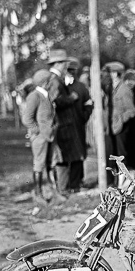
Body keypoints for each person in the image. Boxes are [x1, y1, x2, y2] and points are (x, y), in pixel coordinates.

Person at [46, 49, 84, 199]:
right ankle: (63, 189)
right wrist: (71, 99)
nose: (66, 66)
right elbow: (54, 101)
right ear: (58, 64)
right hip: (63, 124)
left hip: (65, 124)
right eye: (64, 63)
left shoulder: (56, 78)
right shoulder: (55, 80)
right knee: (63, 157)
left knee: (67, 156)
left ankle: (66, 187)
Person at [21, 69, 57, 204]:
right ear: (45, 82)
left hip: (49, 135)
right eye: (50, 81)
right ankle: (38, 194)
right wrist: (38, 131)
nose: (51, 84)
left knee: (51, 163)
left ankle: (55, 192)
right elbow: (27, 119)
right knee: (39, 164)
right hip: (40, 138)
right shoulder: (34, 96)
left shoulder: (46, 95)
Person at [65, 57, 93, 190]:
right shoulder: (61, 86)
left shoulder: (81, 87)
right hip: (63, 127)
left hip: (78, 125)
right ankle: (68, 183)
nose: (71, 73)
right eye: (69, 70)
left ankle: (77, 182)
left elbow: (88, 103)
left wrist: (84, 117)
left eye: (73, 70)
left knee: (79, 154)